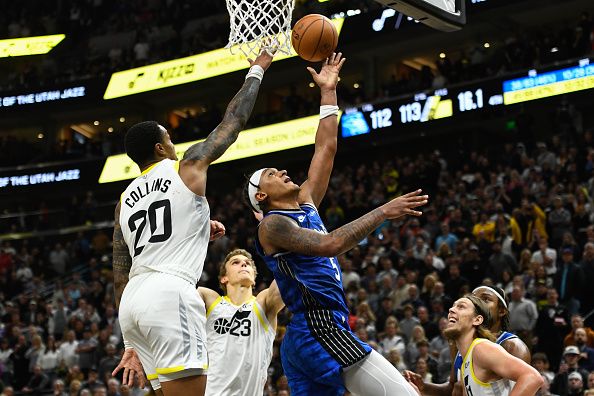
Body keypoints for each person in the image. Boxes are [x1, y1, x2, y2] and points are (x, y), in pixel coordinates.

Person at [247, 52, 426, 395]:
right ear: (261, 197)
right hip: (318, 329)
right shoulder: (271, 226)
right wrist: (382, 212)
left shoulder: (305, 202)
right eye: (272, 174)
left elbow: (326, 148)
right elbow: (330, 245)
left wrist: (328, 91)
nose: (283, 172)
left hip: (315, 332)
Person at [111, 48, 275, 395]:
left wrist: (129, 340)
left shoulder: (123, 200)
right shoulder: (185, 168)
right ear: (159, 148)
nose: (174, 144)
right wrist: (256, 72)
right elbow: (232, 124)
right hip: (170, 293)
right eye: (169, 139)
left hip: (133, 305)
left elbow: (120, 270)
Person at [405, 285, 531, 395]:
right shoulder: (462, 345)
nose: (478, 303)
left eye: (485, 299)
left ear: (501, 311)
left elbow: (529, 384)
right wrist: (424, 387)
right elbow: (452, 390)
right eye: (474, 299)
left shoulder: (512, 345)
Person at [198, 248, 284, 395]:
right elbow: (179, 291)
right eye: (235, 262)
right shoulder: (210, 300)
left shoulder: (263, 303)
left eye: (247, 263)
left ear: (254, 278)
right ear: (224, 278)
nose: (243, 265)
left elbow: (286, 280)